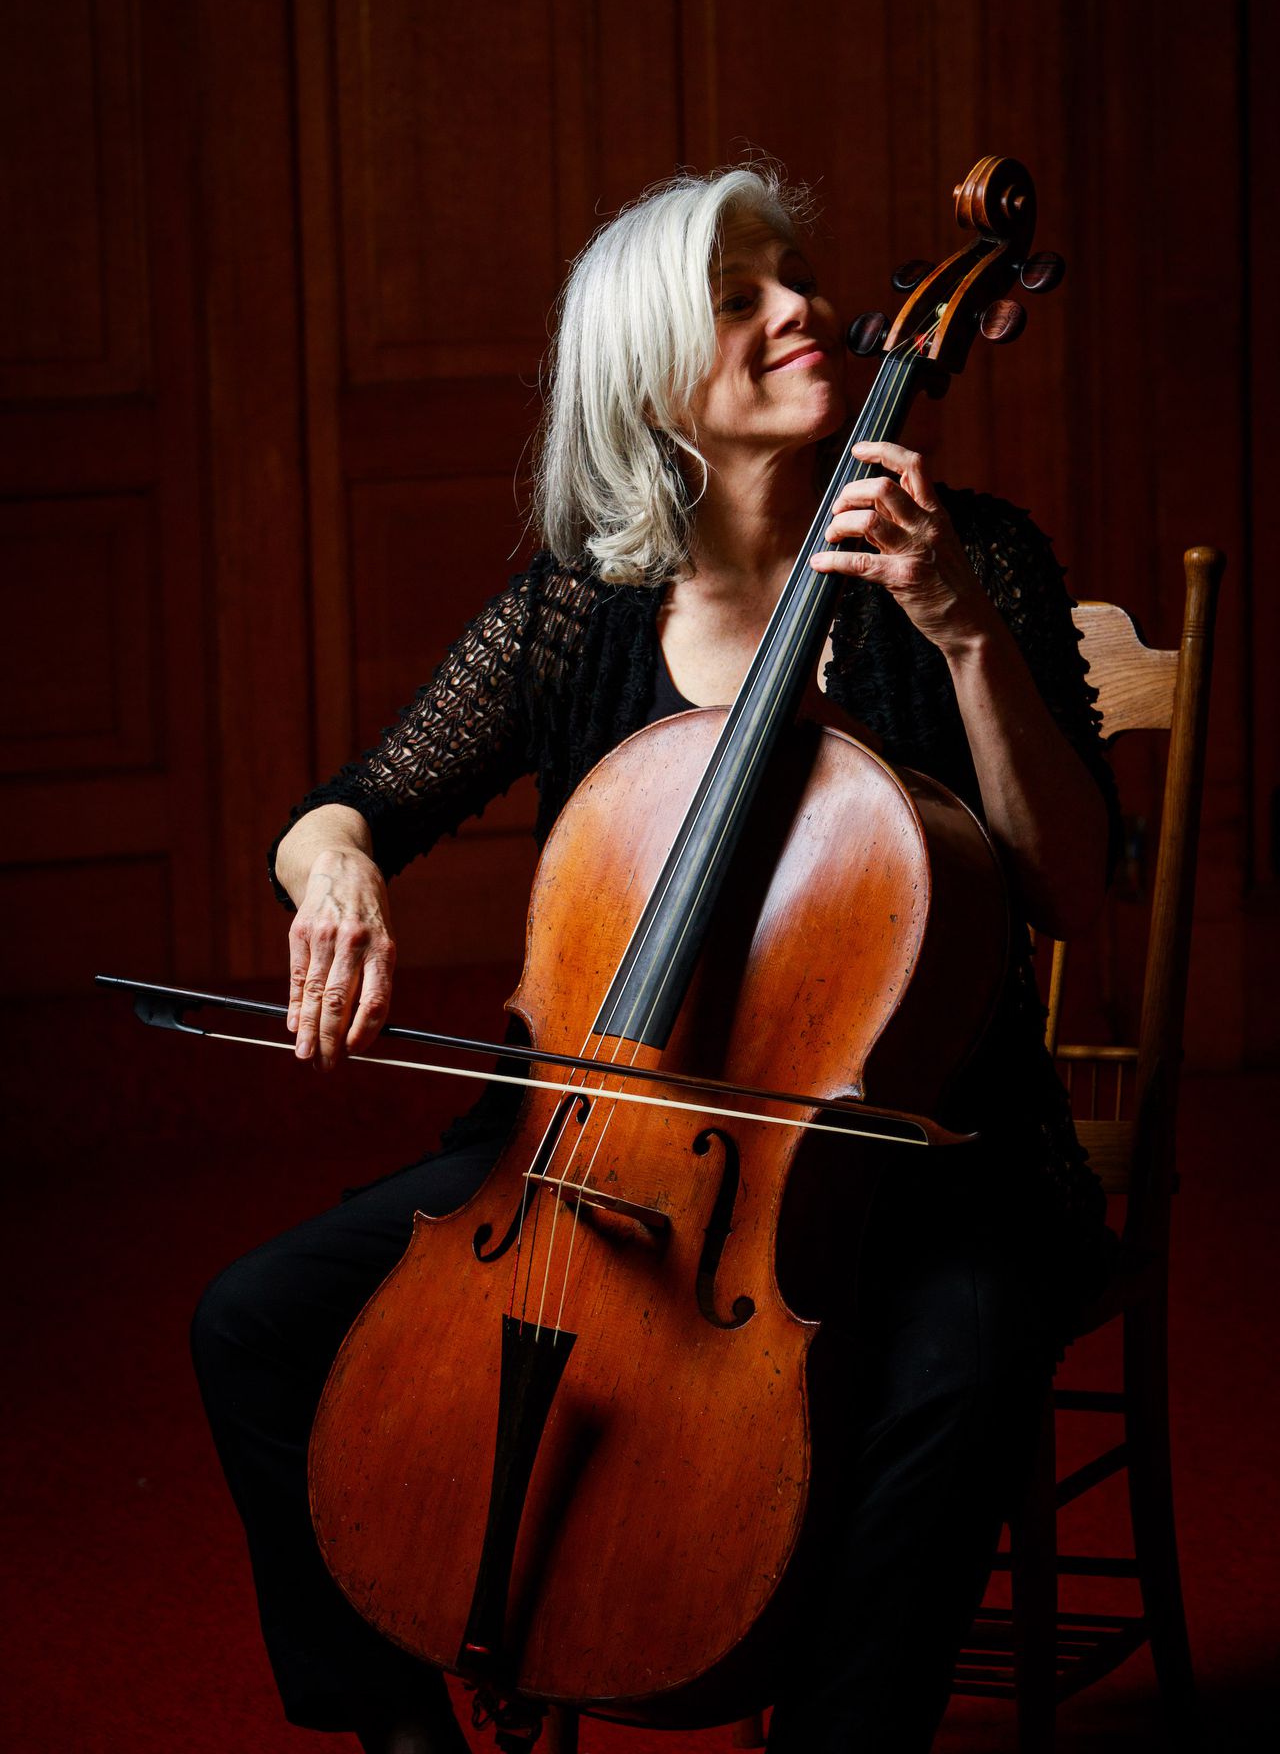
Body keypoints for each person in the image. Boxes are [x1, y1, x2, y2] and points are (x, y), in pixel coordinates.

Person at [191, 164, 1119, 1754]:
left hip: (917, 1159)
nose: (804, 313)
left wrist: (960, 627)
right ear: (647, 385)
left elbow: (1071, 889)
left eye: (800, 281)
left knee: (950, 1373)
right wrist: (332, 871)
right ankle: (403, 1734)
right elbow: (352, 805)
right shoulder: (586, 608)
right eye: (740, 297)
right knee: (255, 1320)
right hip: (579, 1146)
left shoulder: (979, 563)